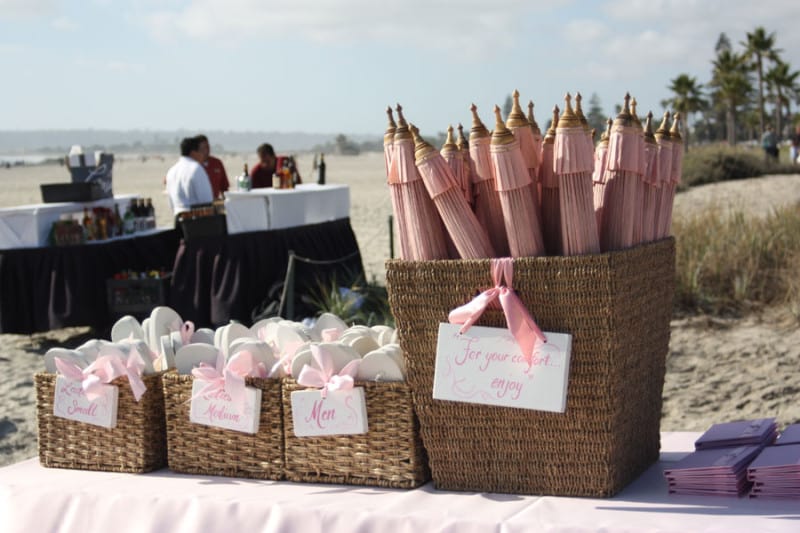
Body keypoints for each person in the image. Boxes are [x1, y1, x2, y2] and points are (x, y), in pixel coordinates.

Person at [165, 136, 214, 215]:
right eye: (201, 151)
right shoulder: (196, 169)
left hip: (178, 218)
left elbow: (170, 203)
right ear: (193, 153)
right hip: (196, 219)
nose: (204, 155)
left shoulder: (171, 171)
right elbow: (207, 202)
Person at [196, 134, 229, 198]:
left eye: (207, 147)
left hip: (215, 202)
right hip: (198, 205)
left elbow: (224, 187)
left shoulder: (217, 163)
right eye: (203, 148)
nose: (206, 150)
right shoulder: (194, 166)